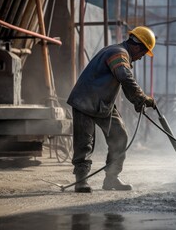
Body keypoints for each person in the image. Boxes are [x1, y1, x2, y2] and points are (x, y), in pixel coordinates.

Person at [67, 26, 157, 193]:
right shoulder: (118, 53)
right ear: (137, 47)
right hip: (85, 101)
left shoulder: (119, 52)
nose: (139, 58)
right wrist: (141, 97)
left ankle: (111, 179)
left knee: (120, 136)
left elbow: (122, 81)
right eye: (142, 54)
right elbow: (124, 76)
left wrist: (137, 101)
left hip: (103, 104)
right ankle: (81, 181)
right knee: (84, 143)